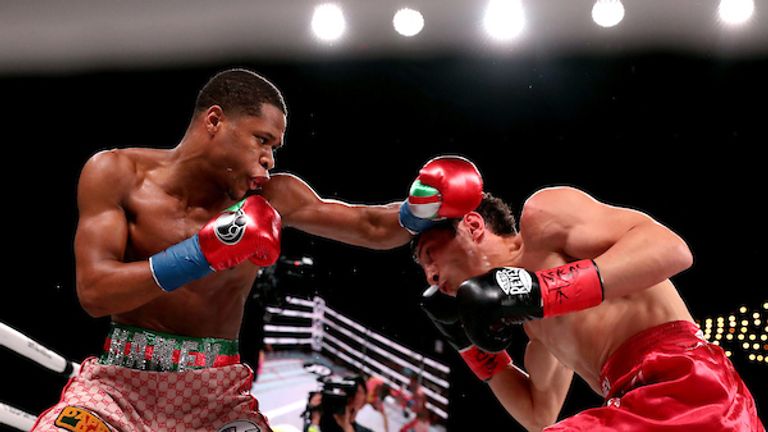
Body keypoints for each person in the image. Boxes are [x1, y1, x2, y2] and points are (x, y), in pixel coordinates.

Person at [30, 68, 482, 432]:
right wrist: (202, 252)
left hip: (215, 399)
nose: (270, 158)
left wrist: (421, 207)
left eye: (276, 147)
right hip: (118, 388)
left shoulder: (271, 197)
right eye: (261, 140)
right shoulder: (116, 174)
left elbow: (367, 224)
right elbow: (94, 292)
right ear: (214, 121)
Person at [415, 187, 765, 431]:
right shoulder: (533, 326)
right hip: (635, 407)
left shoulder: (545, 221)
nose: (430, 275)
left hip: (688, 385)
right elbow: (539, 414)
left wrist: (543, 291)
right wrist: (467, 345)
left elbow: (672, 249)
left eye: (430, 255)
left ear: (472, 225)